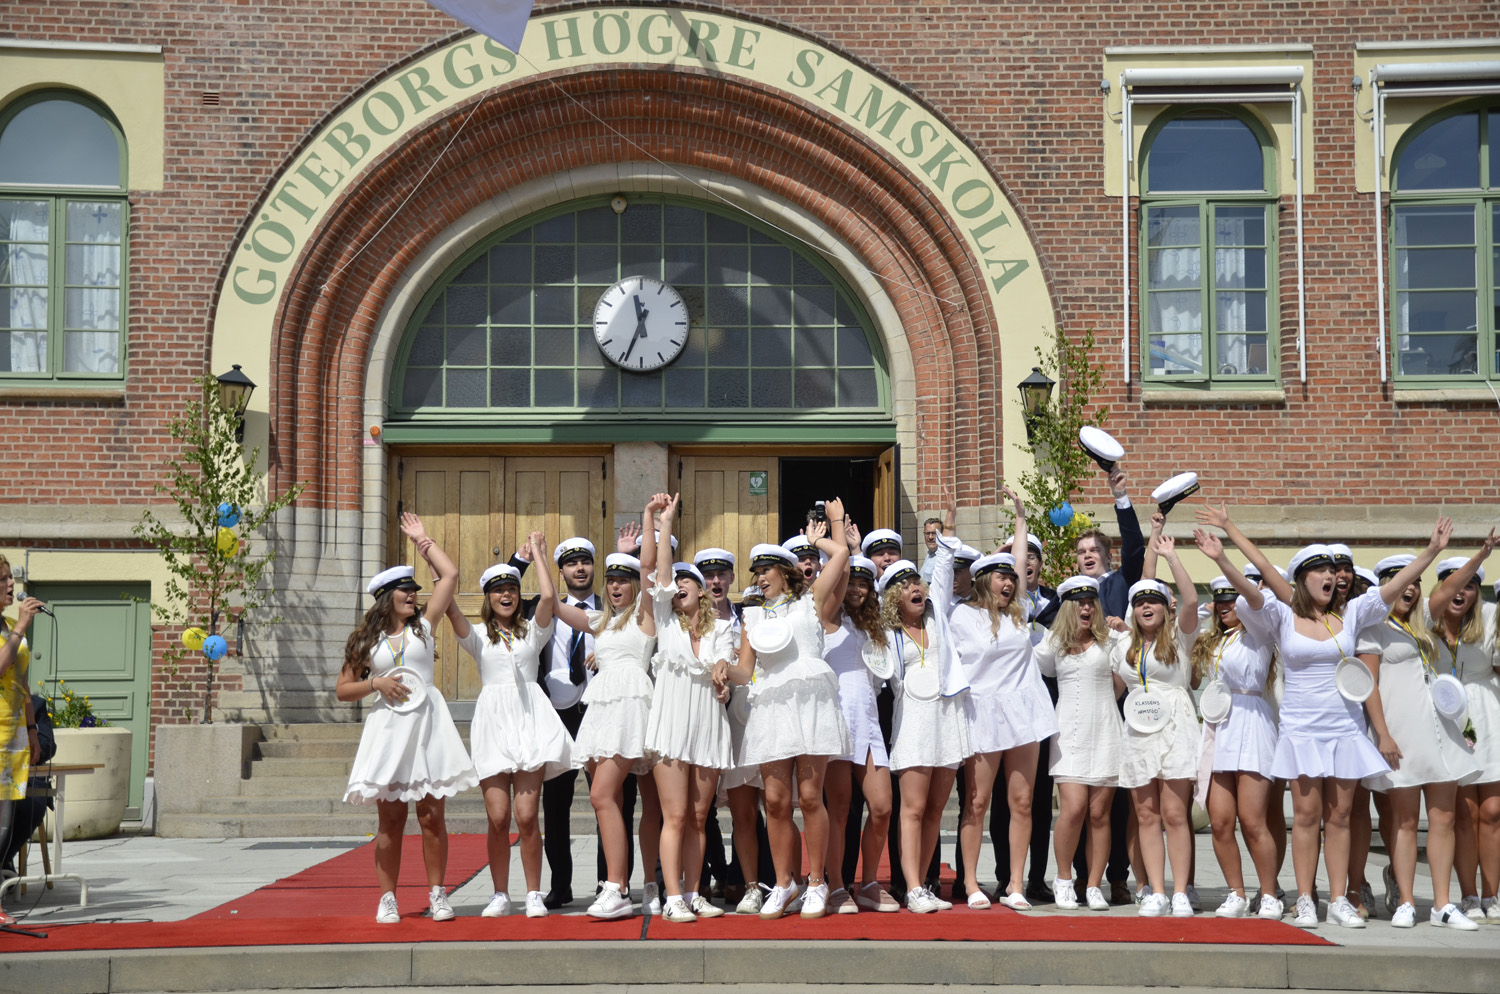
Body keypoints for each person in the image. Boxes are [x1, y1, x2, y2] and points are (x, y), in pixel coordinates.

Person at [1196, 503, 1451, 929]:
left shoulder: (1352, 613)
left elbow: (1394, 587)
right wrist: (1224, 546)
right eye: (1320, 570)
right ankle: (1305, 900)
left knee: (1340, 818)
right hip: (1301, 729)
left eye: (1333, 570)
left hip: (1344, 729)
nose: (1330, 576)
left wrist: (1431, 551)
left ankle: (1337, 899)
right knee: (1306, 817)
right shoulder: (1282, 614)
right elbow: (1260, 575)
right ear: (1301, 579)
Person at [338, 514, 479, 924]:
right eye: (406, 591)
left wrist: (423, 541)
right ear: (386, 597)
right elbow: (343, 689)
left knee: (432, 815)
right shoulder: (366, 641)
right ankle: (388, 898)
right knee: (391, 820)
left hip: (428, 727)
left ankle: (438, 894)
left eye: (415, 591)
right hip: (389, 730)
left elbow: (450, 576)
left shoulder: (424, 627)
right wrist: (375, 683)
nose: (413, 596)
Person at [716, 502, 853, 920]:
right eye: (757, 572)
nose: (759, 578)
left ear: (785, 572)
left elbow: (842, 555)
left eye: (766, 571)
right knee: (775, 801)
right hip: (772, 704)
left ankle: (817, 881)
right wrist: (722, 668)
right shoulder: (752, 614)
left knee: (810, 797)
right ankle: (783, 883)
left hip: (810, 702)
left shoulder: (811, 600)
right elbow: (746, 670)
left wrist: (823, 535)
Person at [446, 532, 577, 920]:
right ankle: (500, 893)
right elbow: (448, 606)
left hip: (530, 722)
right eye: (498, 590)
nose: (506, 595)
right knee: (499, 817)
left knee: (527, 816)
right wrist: (433, 556)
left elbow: (549, 598)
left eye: (512, 589)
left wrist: (539, 554)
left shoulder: (533, 631)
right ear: (487, 597)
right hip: (493, 726)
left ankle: (533, 892)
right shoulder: (477, 637)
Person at [1357, 552, 1482, 931]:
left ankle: (1442, 904)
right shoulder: (1372, 627)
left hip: (1438, 732)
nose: (1410, 589)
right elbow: (1369, 686)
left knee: (1443, 818)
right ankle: (1407, 901)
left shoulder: (1423, 620)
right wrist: (1382, 734)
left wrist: (1481, 554)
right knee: (1405, 820)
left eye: (1415, 582)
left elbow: (1451, 586)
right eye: (1403, 582)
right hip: (1399, 734)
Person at [947, 487, 1055, 910]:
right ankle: (972, 883)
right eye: (1001, 576)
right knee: (976, 802)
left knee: (1022, 802)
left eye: (1012, 577)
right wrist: (950, 531)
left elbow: (1023, 559)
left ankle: (1014, 884)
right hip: (981, 712)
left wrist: (1021, 519)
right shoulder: (960, 614)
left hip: (1024, 710)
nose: (1009, 582)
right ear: (982, 580)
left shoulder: (1021, 611)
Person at [636, 495, 736, 923]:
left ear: (700, 590)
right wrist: (663, 523)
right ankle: (672, 895)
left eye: (685, 581)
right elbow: (654, 569)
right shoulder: (665, 618)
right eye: (673, 582)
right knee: (674, 815)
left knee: (698, 816)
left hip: (709, 725)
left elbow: (730, 666)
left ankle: (694, 892)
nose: (677, 585)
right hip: (673, 724)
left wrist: (723, 675)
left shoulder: (723, 629)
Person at [568, 498, 662, 920]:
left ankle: (622, 887)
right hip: (602, 711)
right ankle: (621, 885)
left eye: (623, 580)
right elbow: (551, 602)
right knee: (611, 800)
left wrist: (648, 520)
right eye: (610, 581)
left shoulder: (644, 616)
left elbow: (649, 568)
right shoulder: (600, 622)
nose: (615, 586)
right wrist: (536, 557)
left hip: (632, 708)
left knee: (605, 795)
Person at [873, 549, 972, 914]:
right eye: (904, 585)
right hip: (913, 721)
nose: (914, 588)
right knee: (912, 809)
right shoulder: (886, 632)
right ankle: (912, 886)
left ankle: (926, 885)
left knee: (934, 810)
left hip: (946, 718)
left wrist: (948, 530)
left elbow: (944, 567)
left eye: (916, 582)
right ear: (891, 597)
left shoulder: (937, 616)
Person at [1192, 534, 1284, 920]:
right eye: (1221, 601)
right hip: (1219, 726)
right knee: (1220, 821)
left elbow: (1258, 602)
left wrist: (1221, 559)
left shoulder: (1260, 631)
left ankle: (1270, 893)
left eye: (1232, 600)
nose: (1226, 606)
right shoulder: (1212, 640)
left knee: (1252, 819)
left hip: (1251, 721)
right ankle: (1236, 892)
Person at [1111, 537, 1200, 918]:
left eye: (1154, 601)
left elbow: (1191, 600)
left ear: (1166, 608)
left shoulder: (1180, 637)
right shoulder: (1123, 646)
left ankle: (1180, 891)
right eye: (1139, 603)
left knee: (1175, 814)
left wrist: (1171, 557)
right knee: (1146, 815)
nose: (1146, 607)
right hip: (1138, 729)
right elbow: (1113, 689)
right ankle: (1156, 891)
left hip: (1176, 725)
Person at [1073, 463, 1145, 906]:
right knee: (1081, 798)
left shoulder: (1121, 583)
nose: (1087, 556)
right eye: (1081, 551)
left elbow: (1136, 549)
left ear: (1106, 555)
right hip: (1082, 705)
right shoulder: (1069, 596)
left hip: (1122, 704)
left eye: (1094, 550)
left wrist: (1121, 498)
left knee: (1116, 799)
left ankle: (1118, 878)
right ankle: (1084, 878)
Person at [1035, 575, 1123, 912]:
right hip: (1069, 733)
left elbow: (1120, 683)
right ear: (1069, 608)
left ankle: (1094, 884)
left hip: (1105, 731)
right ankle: (1063, 879)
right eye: (1080, 604)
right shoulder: (1053, 642)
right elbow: (1034, 669)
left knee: (1099, 814)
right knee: (1073, 809)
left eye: (1090, 603)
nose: (1086, 609)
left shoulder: (1111, 640)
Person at [822, 545, 899, 914]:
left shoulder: (875, 627)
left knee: (882, 806)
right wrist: (841, 541)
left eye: (863, 584)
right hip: (837, 720)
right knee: (838, 811)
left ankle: (868, 883)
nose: (856, 589)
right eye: (850, 582)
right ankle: (837, 886)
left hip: (867, 722)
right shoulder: (827, 618)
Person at [1427, 536, 1500, 923]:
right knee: (1465, 812)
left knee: (1493, 811)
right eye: (1456, 583)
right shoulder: (1427, 621)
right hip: (1447, 716)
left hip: (1487, 713)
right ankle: (1469, 895)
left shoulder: (1490, 616)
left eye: (1471, 584)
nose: (1463, 591)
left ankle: (1492, 894)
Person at [0, 556, 42, 926]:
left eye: (10, 578)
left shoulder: (10, 625)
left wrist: (32, 729)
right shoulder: (16, 628)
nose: (11, 585)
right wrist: (22, 627)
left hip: (14, 736)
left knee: (6, 822)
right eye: (3, 580)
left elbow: (22, 681)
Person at [920, 507, 956, 583]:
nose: (930, 537)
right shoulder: (929, 555)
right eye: (927, 533)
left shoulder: (944, 557)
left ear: (942, 535)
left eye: (934, 533)